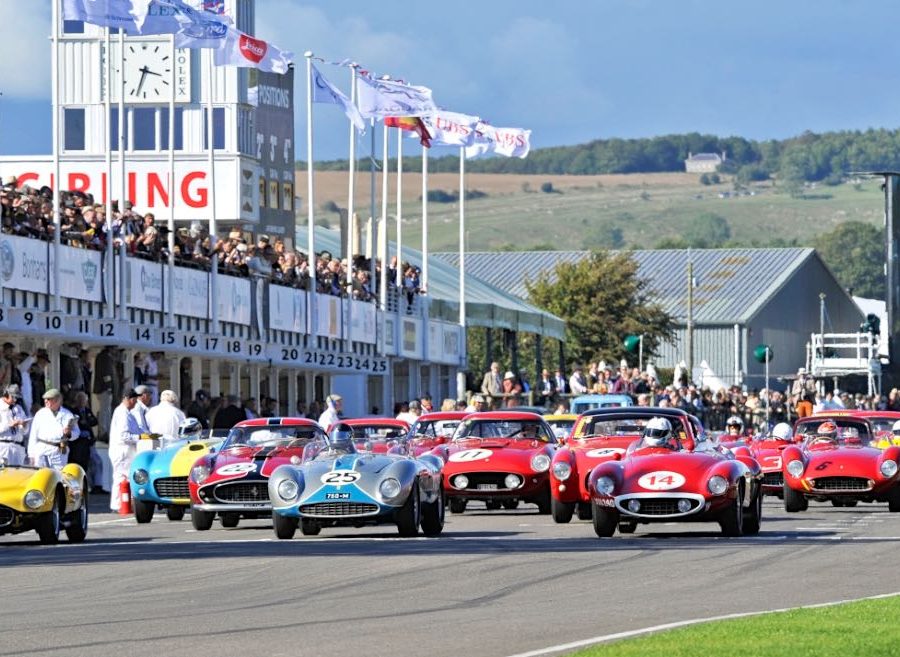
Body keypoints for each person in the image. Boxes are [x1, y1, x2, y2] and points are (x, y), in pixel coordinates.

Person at [108, 388, 143, 511]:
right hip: (122, 450)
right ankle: (120, 505)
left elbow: (136, 430)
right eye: (134, 399)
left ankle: (123, 504)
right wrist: (140, 437)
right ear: (129, 399)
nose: (136, 402)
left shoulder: (127, 412)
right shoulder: (122, 413)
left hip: (125, 450)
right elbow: (124, 436)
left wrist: (144, 434)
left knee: (123, 477)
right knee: (122, 477)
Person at [27, 388, 76, 469]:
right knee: (41, 476)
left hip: (59, 450)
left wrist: (69, 433)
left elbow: (76, 432)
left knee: (58, 476)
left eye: (49, 399)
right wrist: (31, 454)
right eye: (45, 399)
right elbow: (33, 435)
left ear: (57, 400)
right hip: (42, 448)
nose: (46, 401)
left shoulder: (67, 414)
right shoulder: (40, 414)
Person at [0, 384, 29, 465]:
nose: (15, 400)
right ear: (6, 394)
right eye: (13, 397)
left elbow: (25, 432)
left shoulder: (18, 408)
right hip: (3, 447)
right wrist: (9, 425)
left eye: (16, 398)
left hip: (17, 447)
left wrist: (24, 426)